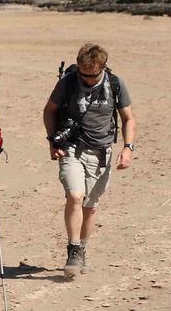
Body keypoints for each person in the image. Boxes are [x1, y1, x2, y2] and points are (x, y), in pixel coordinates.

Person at [42, 43, 137, 278]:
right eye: (83, 75)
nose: (86, 80)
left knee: (90, 208)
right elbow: (49, 110)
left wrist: (128, 148)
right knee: (75, 195)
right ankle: (73, 250)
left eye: (92, 76)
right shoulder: (69, 82)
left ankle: (83, 249)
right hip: (73, 147)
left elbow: (128, 119)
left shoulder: (115, 84)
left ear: (102, 68)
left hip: (102, 151)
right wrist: (52, 140)